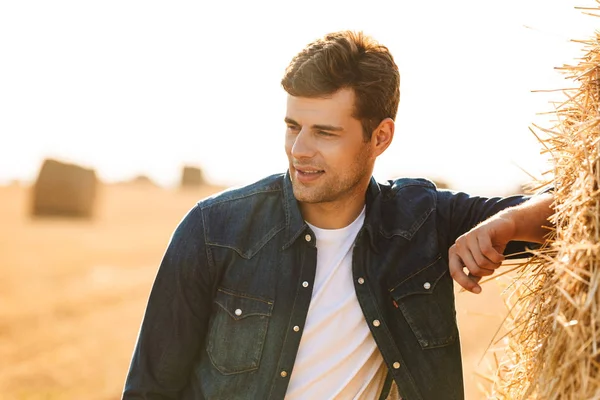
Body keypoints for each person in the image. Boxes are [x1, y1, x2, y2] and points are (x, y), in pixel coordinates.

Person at [122, 31, 553, 400]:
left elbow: (578, 209)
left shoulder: (424, 221)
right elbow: (149, 390)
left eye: (325, 133)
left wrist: (509, 222)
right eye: (293, 126)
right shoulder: (213, 231)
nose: (299, 150)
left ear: (380, 137)